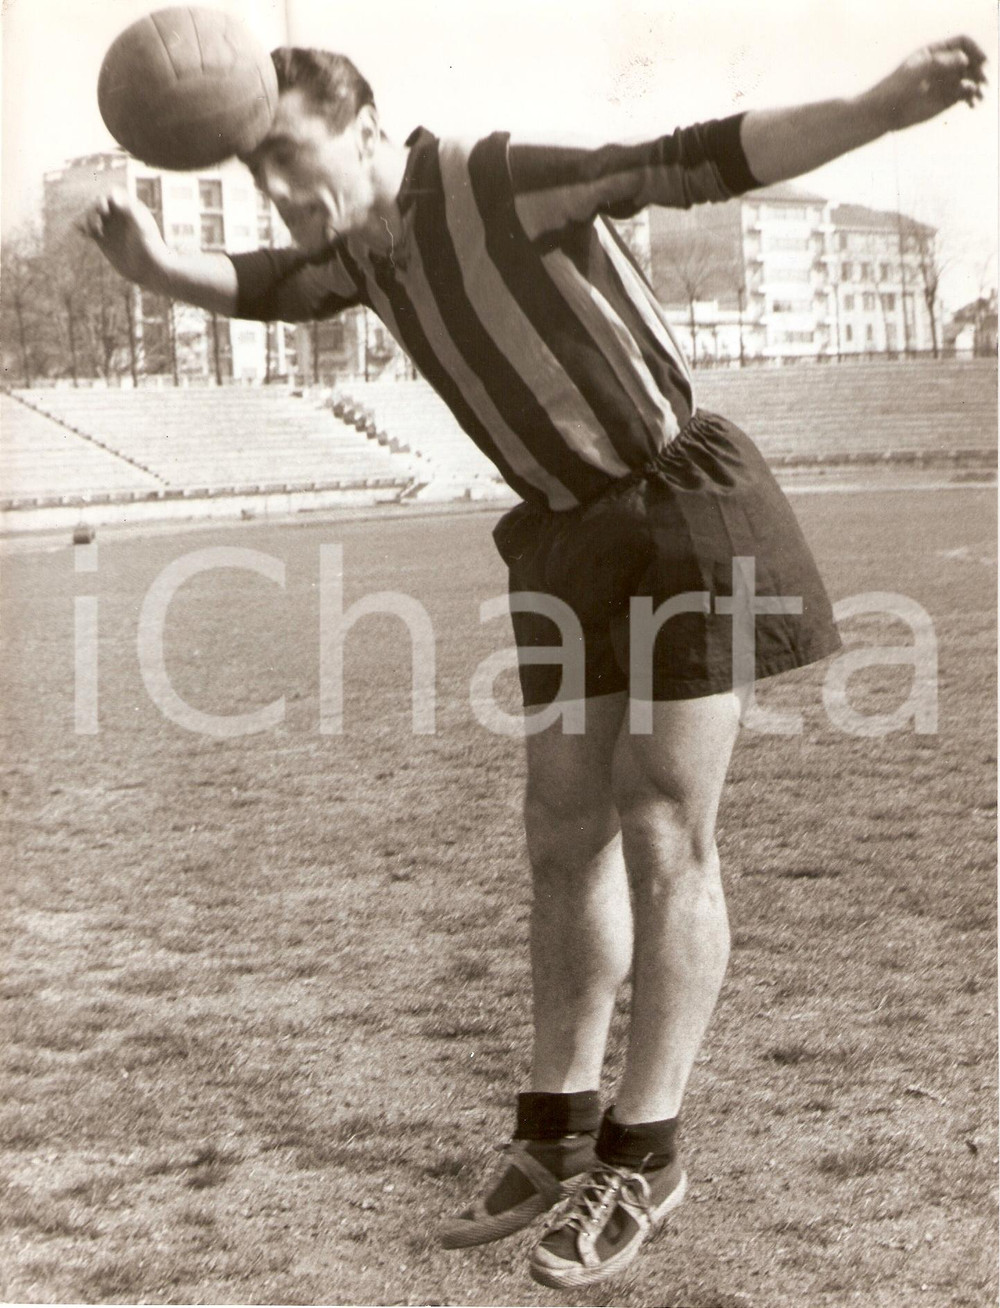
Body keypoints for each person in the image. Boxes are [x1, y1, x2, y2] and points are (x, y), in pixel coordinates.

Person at [84, 34, 986, 1290]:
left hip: (677, 503)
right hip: (563, 532)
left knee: (664, 825)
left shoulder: (489, 179)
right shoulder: (359, 247)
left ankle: (647, 1151)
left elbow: (690, 160)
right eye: (253, 165)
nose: (278, 188)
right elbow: (268, 285)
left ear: (363, 127)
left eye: (286, 152)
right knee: (561, 834)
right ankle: (553, 1135)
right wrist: (152, 264)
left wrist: (885, 103)